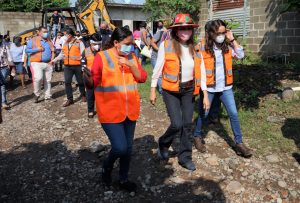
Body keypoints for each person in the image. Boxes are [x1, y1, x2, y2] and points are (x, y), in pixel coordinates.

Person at [83, 27, 147, 192]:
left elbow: (142, 78)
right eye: (127, 43)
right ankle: (107, 166)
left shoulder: (131, 56)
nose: (131, 47)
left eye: (132, 43)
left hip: (130, 110)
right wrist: (87, 78)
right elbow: (93, 82)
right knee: (120, 148)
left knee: (128, 149)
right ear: (116, 43)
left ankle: (123, 179)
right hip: (110, 111)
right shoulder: (102, 57)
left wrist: (130, 65)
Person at [150, 14, 209, 171]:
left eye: (188, 28)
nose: (185, 31)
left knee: (187, 124)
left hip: (189, 90)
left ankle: (185, 157)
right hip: (171, 91)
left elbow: (202, 70)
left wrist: (206, 94)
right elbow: (158, 68)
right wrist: (152, 89)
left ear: (192, 30)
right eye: (181, 28)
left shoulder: (195, 48)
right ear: (175, 31)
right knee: (176, 124)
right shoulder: (166, 45)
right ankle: (163, 143)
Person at [193, 19, 252, 158]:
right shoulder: (200, 47)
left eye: (224, 32)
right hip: (209, 88)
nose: (222, 35)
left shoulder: (227, 46)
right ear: (210, 33)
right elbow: (196, 69)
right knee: (204, 114)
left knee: (234, 114)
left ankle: (239, 143)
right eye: (219, 33)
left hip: (226, 87)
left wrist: (232, 40)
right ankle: (197, 135)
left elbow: (241, 55)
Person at [52, 28, 86, 107]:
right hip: (67, 66)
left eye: (65, 35)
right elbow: (62, 54)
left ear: (70, 35)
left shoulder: (79, 42)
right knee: (67, 82)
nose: (64, 36)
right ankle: (70, 99)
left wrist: (82, 64)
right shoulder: (65, 43)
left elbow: (83, 54)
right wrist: (55, 60)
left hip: (77, 65)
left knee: (80, 82)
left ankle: (83, 95)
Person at [26, 26, 55, 103]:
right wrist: (37, 49)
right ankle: (37, 94)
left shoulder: (49, 40)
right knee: (38, 78)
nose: (46, 33)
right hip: (36, 63)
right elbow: (27, 50)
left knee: (48, 81)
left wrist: (52, 60)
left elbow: (53, 51)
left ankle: (48, 96)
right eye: (44, 32)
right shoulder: (33, 40)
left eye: (47, 31)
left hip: (48, 63)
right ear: (38, 32)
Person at [81, 39, 101, 118]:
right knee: (90, 94)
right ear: (91, 43)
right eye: (95, 44)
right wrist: (86, 74)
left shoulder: (102, 51)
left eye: (99, 43)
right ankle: (90, 110)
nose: (97, 45)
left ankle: (101, 110)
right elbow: (82, 64)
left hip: (100, 76)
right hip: (89, 76)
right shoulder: (86, 51)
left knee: (101, 94)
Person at [150, 20, 166, 94]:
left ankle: (164, 88)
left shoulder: (173, 37)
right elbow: (152, 42)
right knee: (158, 73)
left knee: (164, 73)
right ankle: (161, 90)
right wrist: (160, 50)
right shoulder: (160, 33)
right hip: (156, 56)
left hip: (164, 56)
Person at [0, 34, 13, 110]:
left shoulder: (4, 46)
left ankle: (4, 102)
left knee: (2, 84)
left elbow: (9, 56)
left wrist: (11, 65)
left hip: (3, 67)